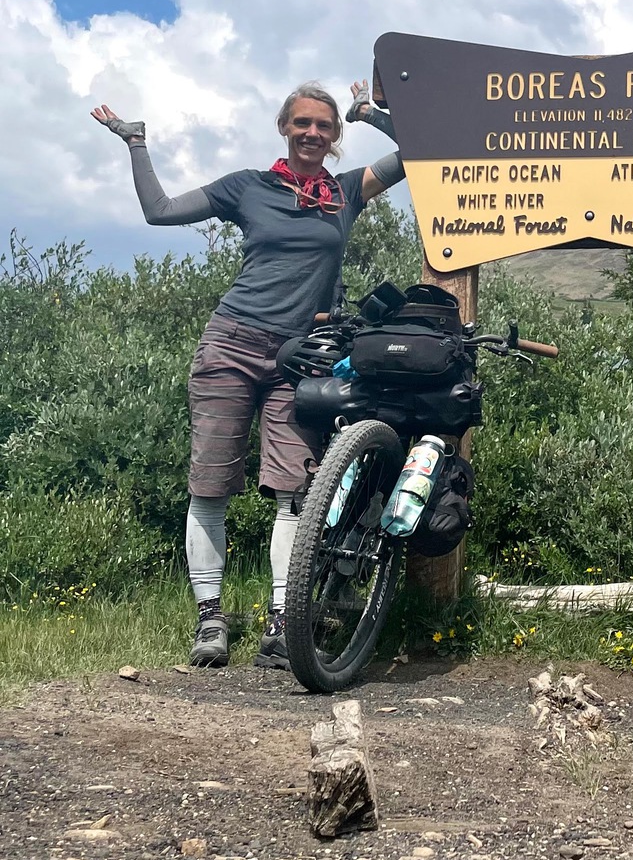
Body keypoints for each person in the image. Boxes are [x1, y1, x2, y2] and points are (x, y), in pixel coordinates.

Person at [90, 80, 404, 670]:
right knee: (210, 484)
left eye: (325, 125)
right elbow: (158, 213)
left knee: (296, 491)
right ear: (284, 128)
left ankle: (283, 624)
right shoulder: (248, 187)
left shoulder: (345, 192)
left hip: (301, 356)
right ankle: (211, 621)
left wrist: (371, 114)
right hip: (231, 344)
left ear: (336, 136)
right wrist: (135, 143)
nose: (313, 133)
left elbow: (418, 152)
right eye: (302, 123)